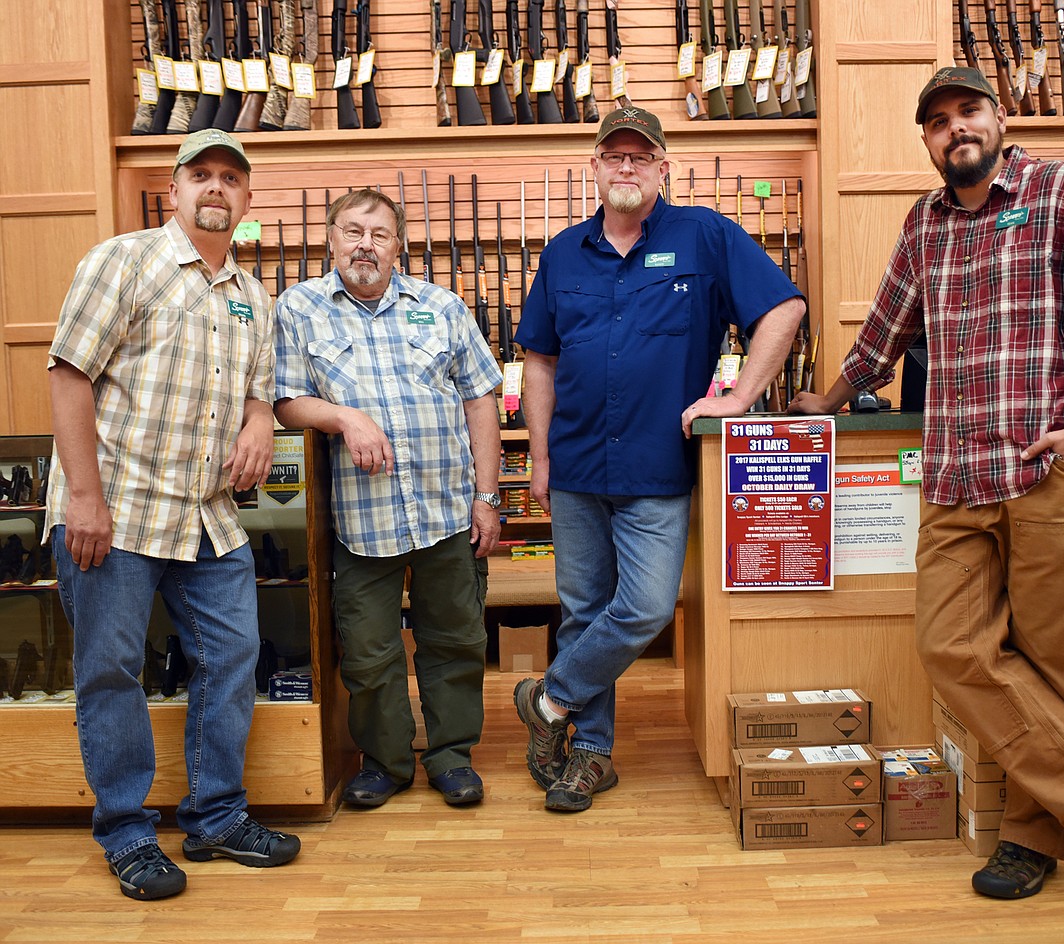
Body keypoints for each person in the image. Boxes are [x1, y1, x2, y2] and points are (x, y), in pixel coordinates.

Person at [790, 67, 1064, 906]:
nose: (956, 128)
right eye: (938, 121)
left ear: (999, 118)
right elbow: (882, 330)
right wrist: (828, 400)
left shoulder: (1063, 190)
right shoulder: (926, 223)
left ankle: (1032, 841)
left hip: (1046, 472)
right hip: (956, 477)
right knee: (949, 646)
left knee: (1058, 664)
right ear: (925, 139)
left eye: (969, 111)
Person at [512, 107, 806, 813]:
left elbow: (784, 309)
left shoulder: (703, 235)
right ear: (594, 168)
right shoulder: (562, 254)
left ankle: (547, 699)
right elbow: (540, 364)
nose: (626, 167)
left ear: (663, 167)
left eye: (640, 157)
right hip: (577, 466)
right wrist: (541, 458)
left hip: (657, 469)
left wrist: (736, 399)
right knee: (585, 614)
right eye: (613, 156)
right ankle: (587, 754)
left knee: (641, 609)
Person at [45, 128, 301, 902]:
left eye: (231, 177)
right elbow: (68, 376)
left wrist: (260, 422)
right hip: (116, 511)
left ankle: (216, 816)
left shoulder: (256, 299)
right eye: (202, 175)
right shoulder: (124, 261)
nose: (216, 188)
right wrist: (85, 499)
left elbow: (260, 388)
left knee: (233, 657)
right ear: (175, 190)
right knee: (111, 672)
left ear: (248, 199)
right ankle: (126, 832)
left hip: (206, 515)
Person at [273, 189, 502, 810]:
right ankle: (386, 760)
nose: (365, 244)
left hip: (447, 510)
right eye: (352, 231)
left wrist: (487, 496)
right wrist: (344, 417)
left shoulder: (442, 306)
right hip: (360, 521)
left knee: (455, 639)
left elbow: (482, 396)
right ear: (331, 239)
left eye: (379, 233)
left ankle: (452, 756)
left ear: (399, 245)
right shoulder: (298, 309)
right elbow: (286, 399)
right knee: (370, 651)